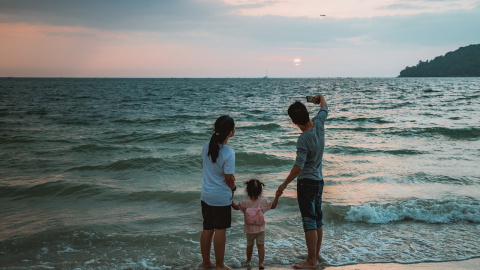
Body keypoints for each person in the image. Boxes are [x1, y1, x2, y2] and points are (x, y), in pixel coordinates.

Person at [276, 94, 328, 269]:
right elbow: (324, 106)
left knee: (309, 221)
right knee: (317, 219)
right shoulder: (319, 123)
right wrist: (318, 98)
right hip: (319, 181)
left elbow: (299, 166)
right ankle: (315, 255)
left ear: (293, 122)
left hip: (306, 182)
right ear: (307, 112)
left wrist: (283, 184)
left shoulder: (303, 139)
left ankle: (311, 261)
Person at [200, 115, 237, 270]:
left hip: (206, 195)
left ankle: (206, 262)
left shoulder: (206, 146)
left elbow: (204, 165)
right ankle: (220, 265)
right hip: (221, 197)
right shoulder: (228, 152)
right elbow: (228, 179)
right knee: (220, 230)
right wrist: (234, 187)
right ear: (230, 132)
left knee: (207, 229)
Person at [232, 179, 281, 269]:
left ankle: (248, 260)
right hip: (260, 229)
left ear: (247, 190)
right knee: (260, 245)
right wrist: (277, 196)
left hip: (249, 230)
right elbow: (273, 206)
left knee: (249, 245)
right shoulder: (264, 202)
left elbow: (235, 207)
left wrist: (230, 197)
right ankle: (261, 263)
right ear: (260, 191)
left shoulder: (244, 202)